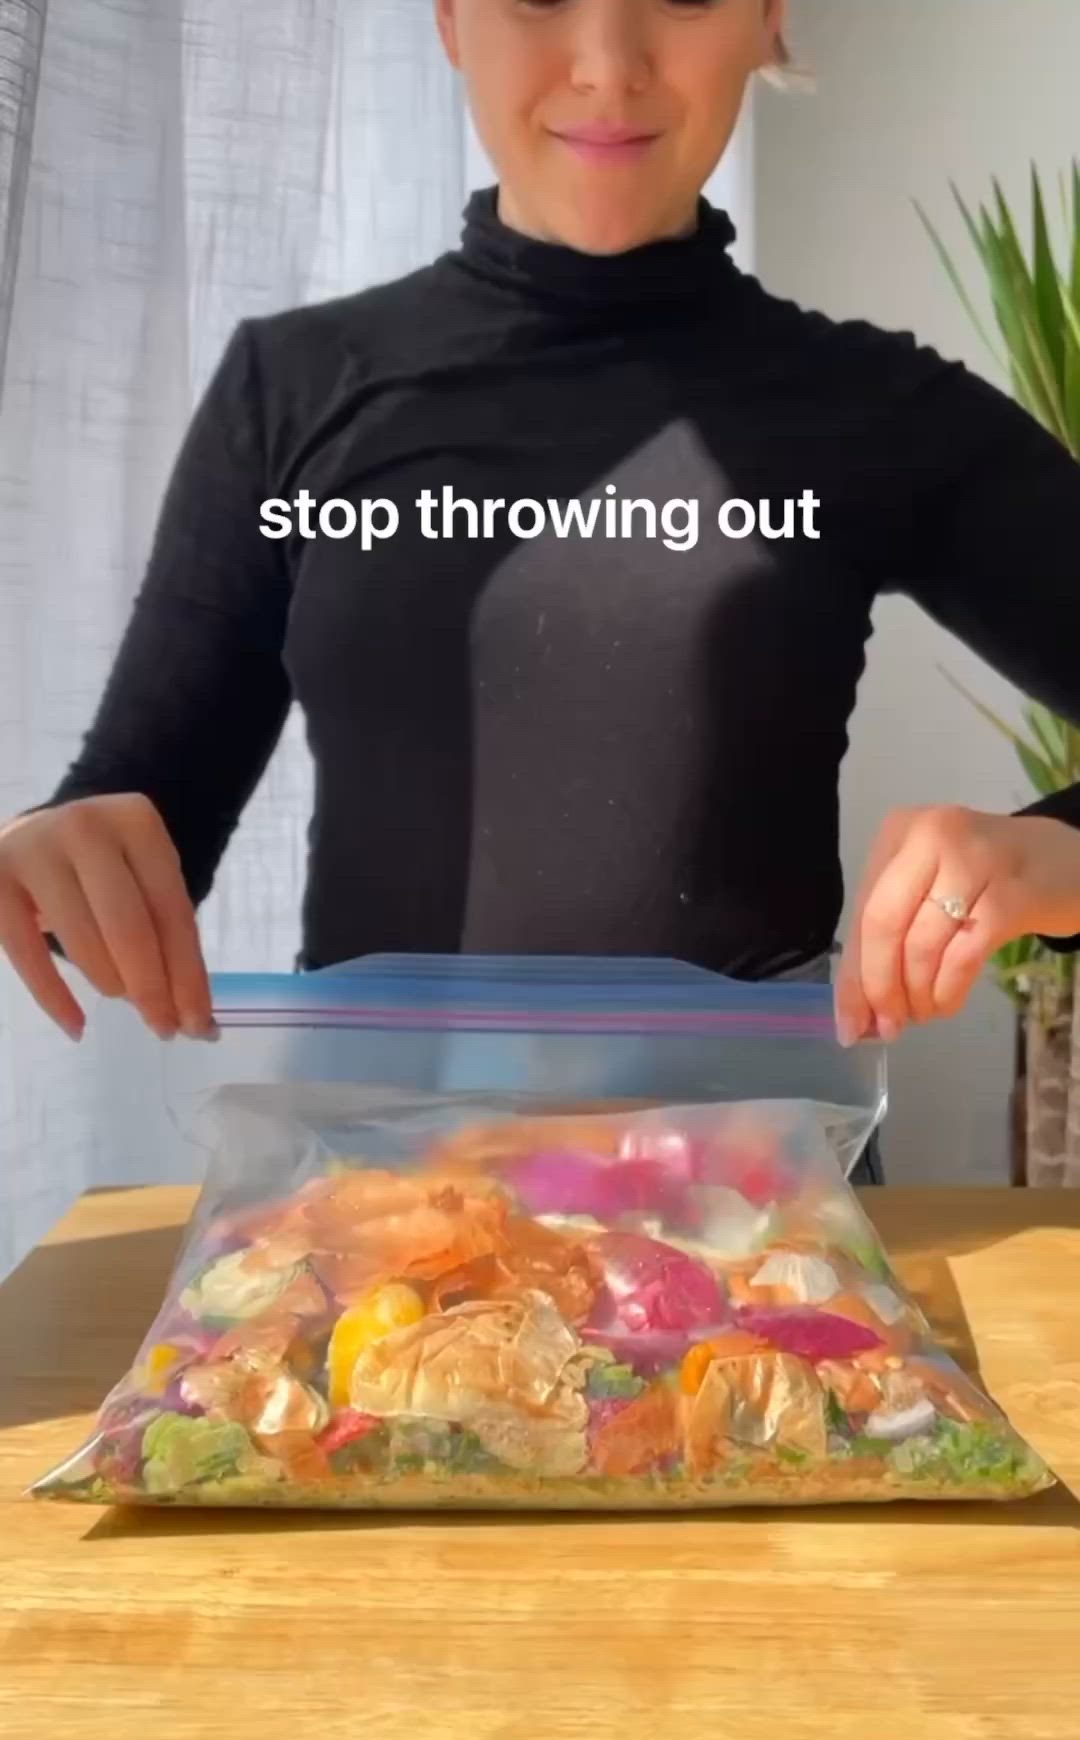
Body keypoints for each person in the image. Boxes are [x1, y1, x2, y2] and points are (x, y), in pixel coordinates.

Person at [2, 0, 1079, 1100]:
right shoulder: (289, 392)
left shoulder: (879, 411)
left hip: (757, 1221)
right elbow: (127, 842)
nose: (609, 68)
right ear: (451, 19)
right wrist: (56, 859)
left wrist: (1054, 861)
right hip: (374, 1218)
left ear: (767, 16)